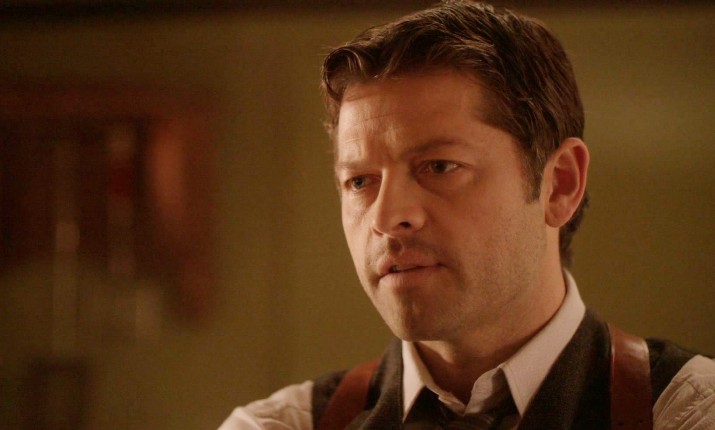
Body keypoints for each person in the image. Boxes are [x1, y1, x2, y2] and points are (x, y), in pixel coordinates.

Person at [219, 1, 715, 428]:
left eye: (439, 166)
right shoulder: (279, 425)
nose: (387, 217)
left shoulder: (690, 412)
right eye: (360, 181)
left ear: (559, 184)